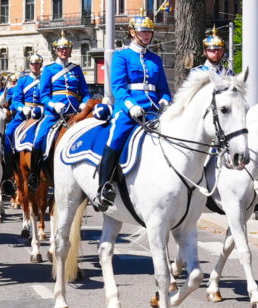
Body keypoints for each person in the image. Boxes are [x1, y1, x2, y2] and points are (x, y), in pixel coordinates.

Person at [93, 15, 171, 211]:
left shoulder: (155, 59)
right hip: (129, 110)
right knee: (116, 138)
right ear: (132, 32)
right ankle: (104, 187)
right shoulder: (122, 56)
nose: (147, 35)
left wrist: (165, 100)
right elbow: (118, 87)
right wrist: (130, 105)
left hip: (153, 111)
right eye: (143, 31)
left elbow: (163, 88)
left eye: (149, 32)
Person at [27, 36, 91, 191]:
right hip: (54, 113)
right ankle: (34, 175)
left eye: (67, 49)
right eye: (61, 49)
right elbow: (44, 95)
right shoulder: (49, 70)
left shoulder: (76, 69)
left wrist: (84, 103)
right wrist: (53, 105)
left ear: (70, 51)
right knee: (39, 139)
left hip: (75, 112)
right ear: (56, 51)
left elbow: (85, 92)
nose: (64, 51)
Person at [5, 52, 45, 188]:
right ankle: (8, 173)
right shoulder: (23, 80)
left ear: (41, 65)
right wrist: (23, 109)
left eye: (37, 64)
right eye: (33, 64)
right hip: (23, 116)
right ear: (30, 65)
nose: (35, 66)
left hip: (42, 114)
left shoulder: (45, 78)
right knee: (7, 134)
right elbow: (16, 100)